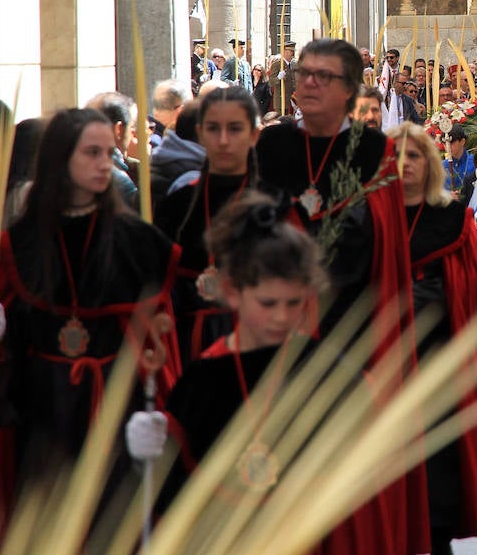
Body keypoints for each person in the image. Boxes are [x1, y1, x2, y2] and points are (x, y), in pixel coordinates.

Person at [129, 191, 411, 553]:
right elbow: (174, 494)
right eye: (267, 303)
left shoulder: (329, 372)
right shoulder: (203, 380)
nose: (281, 317)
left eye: (293, 303)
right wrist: (152, 449)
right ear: (232, 292)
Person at [251, 38, 429, 555]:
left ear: (350, 90)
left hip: (353, 328)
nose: (306, 82)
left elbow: (381, 242)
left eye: (321, 76)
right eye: (303, 73)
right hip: (282, 327)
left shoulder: (375, 152)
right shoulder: (273, 147)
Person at [0, 107, 180, 510]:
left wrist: (152, 405)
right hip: (44, 404)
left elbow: (158, 340)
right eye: (91, 153)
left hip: (113, 403)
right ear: (60, 158)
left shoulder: (137, 241)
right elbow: (12, 347)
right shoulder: (20, 241)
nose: (104, 164)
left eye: (108, 153)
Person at [387, 124, 477, 554]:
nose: (405, 165)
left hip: (439, 369)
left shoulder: (453, 221)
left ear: (429, 164)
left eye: (414, 156)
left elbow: (471, 297)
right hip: (387, 372)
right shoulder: (371, 222)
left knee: (440, 482)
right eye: (397, 157)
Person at [154, 87, 260, 364]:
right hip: (186, 344)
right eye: (213, 129)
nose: (223, 141)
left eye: (235, 129)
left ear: (254, 135)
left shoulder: (276, 206)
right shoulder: (178, 203)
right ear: (200, 134)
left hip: (255, 343)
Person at [149, 100, 207, 209]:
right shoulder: (191, 178)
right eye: (213, 128)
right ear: (200, 131)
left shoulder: (168, 156)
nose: (224, 138)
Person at [149, 79, 191, 148]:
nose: (155, 112)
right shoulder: (152, 141)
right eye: (155, 104)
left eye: (161, 106)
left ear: (180, 110)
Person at [442, 124, 476, 202]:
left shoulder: (475, 162)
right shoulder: (441, 166)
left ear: (462, 141)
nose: (448, 147)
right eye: (444, 143)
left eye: (451, 143)